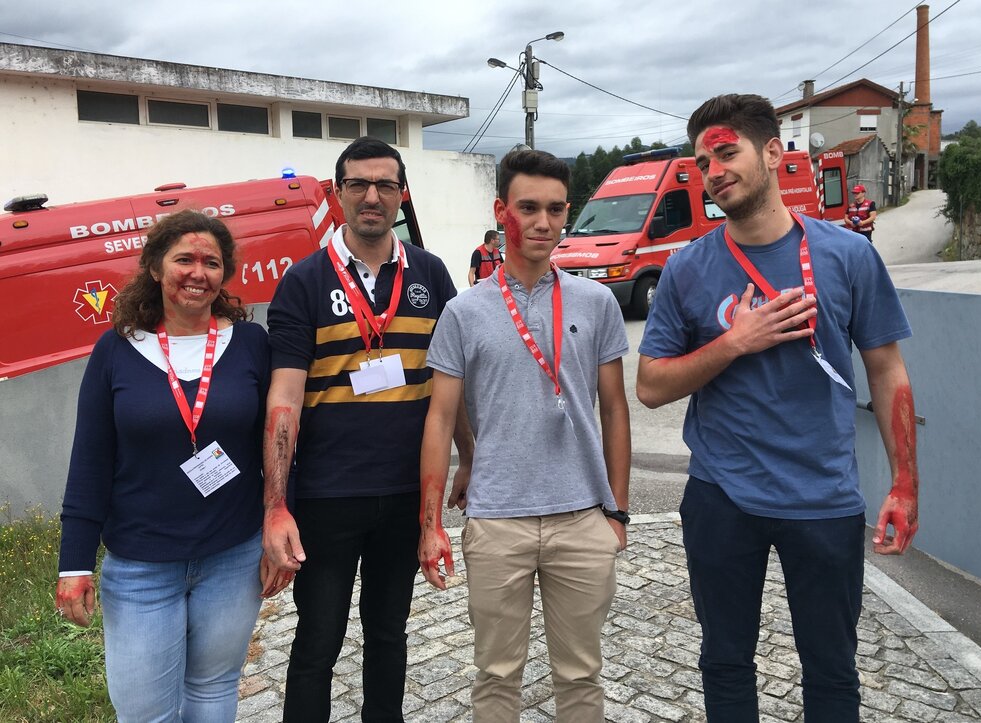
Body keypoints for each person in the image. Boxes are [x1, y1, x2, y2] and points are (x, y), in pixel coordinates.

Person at [635, 94, 920, 722]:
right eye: (704, 163)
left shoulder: (847, 255)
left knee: (831, 669)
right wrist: (734, 342)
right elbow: (651, 385)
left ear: (772, 153)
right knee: (726, 661)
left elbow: (888, 369)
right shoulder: (687, 268)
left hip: (824, 498)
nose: (713, 173)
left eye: (726, 153)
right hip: (721, 496)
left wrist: (904, 483)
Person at [262, 136, 471, 722]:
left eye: (385, 184)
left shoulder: (431, 274)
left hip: (405, 493)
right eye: (358, 184)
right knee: (317, 643)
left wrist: (469, 458)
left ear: (402, 195)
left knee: (388, 634)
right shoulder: (302, 282)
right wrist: (274, 504)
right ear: (338, 194)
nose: (372, 196)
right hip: (328, 497)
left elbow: (452, 387)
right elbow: (284, 398)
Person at [419, 149, 632, 723]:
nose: (544, 222)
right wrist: (431, 522)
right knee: (496, 676)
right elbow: (440, 419)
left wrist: (618, 512)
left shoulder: (597, 300)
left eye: (557, 209)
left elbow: (615, 410)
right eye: (529, 208)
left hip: (582, 516)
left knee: (582, 673)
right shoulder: (464, 312)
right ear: (501, 211)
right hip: (497, 520)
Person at [55, 209, 285, 722]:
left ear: (224, 275)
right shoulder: (115, 351)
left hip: (232, 557)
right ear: (155, 268)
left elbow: (275, 444)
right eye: (184, 259)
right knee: (145, 713)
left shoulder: (250, 345)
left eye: (211, 262)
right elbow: (89, 462)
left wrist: (277, 520)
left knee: (212, 691)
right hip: (141, 566)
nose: (197, 273)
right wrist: (74, 564)